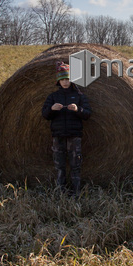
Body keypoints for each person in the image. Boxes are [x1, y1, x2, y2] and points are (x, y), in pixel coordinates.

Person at [42, 60, 91, 196]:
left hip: (74, 135)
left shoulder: (79, 96)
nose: (65, 82)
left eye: (68, 79)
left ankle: (76, 192)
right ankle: (61, 191)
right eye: (63, 79)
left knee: (76, 165)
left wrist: (78, 109)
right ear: (59, 81)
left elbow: (87, 114)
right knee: (60, 166)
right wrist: (52, 109)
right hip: (58, 135)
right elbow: (45, 115)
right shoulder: (53, 97)